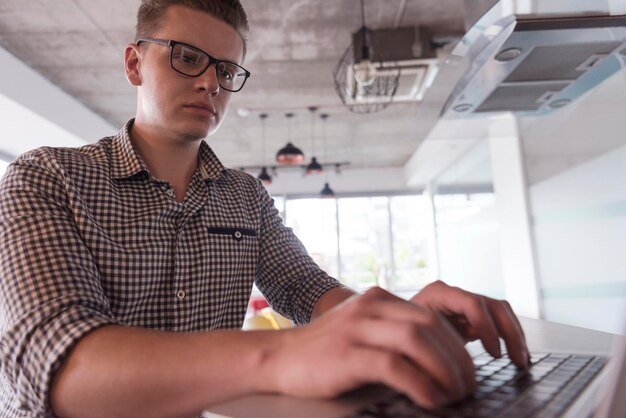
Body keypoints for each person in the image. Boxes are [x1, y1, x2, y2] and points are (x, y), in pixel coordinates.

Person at [0, 1, 530, 417]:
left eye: (226, 69)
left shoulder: (245, 197)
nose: (210, 82)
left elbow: (310, 292)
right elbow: (54, 361)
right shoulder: (46, 176)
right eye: (186, 57)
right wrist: (283, 357)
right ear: (135, 63)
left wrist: (398, 318)